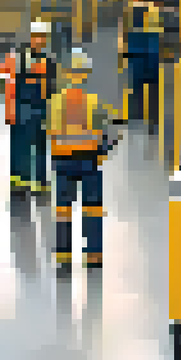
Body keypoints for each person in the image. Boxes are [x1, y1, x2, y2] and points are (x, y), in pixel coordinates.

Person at [48, 49, 122, 270]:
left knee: (63, 210)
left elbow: (49, 132)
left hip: (62, 164)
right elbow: (111, 135)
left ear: (66, 73)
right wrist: (101, 153)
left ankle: (63, 256)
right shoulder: (95, 103)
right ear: (85, 74)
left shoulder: (55, 102)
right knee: (92, 210)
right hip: (89, 163)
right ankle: (93, 256)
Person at [2, 21, 58, 195]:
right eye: (37, 37)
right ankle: (19, 182)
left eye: (43, 38)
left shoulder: (49, 60)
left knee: (41, 145)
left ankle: (40, 183)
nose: (40, 41)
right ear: (31, 37)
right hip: (21, 107)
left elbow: (52, 89)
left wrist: (54, 113)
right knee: (20, 146)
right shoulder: (16, 57)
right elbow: (8, 83)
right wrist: (10, 108)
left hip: (41, 108)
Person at [118, 0, 164, 127]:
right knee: (153, 88)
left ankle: (136, 116)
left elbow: (123, 36)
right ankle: (153, 118)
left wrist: (122, 55)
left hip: (136, 55)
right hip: (152, 54)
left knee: (135, 87)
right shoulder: (155, 12)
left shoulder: (129, 13)